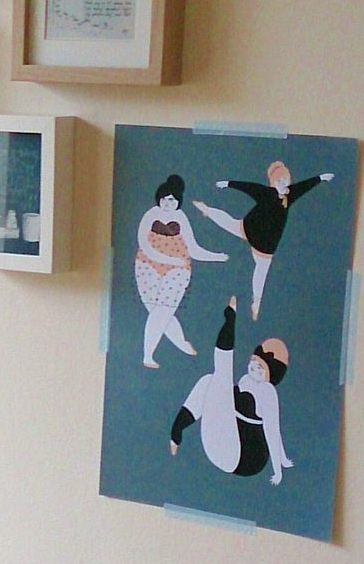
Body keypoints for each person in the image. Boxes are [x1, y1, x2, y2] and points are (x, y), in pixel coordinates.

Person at [169, 296, 291, 484]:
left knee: (221, 377)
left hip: (246, 458)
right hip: (223, 444)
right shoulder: (245, 380)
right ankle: (178, 429)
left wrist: (279, 468)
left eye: (260, 367)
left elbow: (273, 431)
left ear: (271, 375)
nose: (253, 367)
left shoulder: (268, 393)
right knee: (209, 380)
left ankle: (230, 319)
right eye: (253, 361)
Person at [193, 159, 334, 321]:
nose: (282, 183)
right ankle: (207, 210)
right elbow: (249, 187)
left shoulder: (290, 194)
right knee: (228, 222)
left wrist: (320, 178)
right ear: (273, 183)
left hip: (266, 243)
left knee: (261, 272)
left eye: (285, 179)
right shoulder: (267, 192)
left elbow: (305, 186)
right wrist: (229, 184)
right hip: (251, 228)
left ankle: (257, 302)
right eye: (278, 180)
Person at [134, 173, 227, 367]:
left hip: (178, 270)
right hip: (147, 265)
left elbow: (193, 248)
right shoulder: (151, 215)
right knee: (157, 311)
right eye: (164, 199)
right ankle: (181, 341)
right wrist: (170, 259)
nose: (167, 203)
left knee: (164, 310)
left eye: (172, 200)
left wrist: (216, 256)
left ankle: (147, 355)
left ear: (178, 202)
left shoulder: (180, 217)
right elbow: (144, 245)